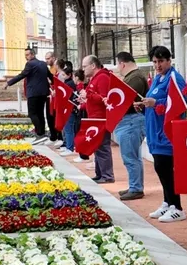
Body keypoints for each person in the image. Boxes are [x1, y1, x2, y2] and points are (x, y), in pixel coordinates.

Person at [144, 46, 187, 223]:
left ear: (169, 60)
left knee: (166, 169)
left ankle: (177, 207)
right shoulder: (158, 78)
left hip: (167, 133)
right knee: (160, 168)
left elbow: (180, 103)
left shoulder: (175, 79)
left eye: (161, 61)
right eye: (155, 62)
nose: (157, 65)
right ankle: (167, 202)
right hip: (154, 131)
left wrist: (156, 102)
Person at [113, 52, 149, 201]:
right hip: (130, 121)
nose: (118, 68)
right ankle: (135, 186)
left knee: (130, 157)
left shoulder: (134, 78)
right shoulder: (134, 77)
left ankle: (136, 188)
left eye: (118, 65)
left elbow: (125, 99)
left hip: (131, 122)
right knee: (132, 156)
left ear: (122, 64)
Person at [82, 55, 116, 184]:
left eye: (85, 66)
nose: (83, 69)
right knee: (97, 146)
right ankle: (100, 173)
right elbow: (94, 98)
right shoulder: (95, 78)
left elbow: (104, 98)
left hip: (100, 118)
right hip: (95, 118)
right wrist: (85, 101)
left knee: (102, 147)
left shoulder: (102, 78)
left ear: (93, 66)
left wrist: (88, 95)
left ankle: (107, 175)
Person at [5, 47, 51, 144]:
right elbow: (50, 76)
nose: (26, 57)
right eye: (25, 55)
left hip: (33, 93)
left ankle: (40, 134)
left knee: (32, 113)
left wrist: (8, 83)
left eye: (27, 55)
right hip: (43, 93)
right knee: (40, 114)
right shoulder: (43, 64)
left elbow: (22, 75)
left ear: (32, 55)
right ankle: (42, 134)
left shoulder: (30, 64)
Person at [58, 60, 81, 156]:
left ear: (69, 75)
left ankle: (70, 147)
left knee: (69, 129)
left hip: (70, 109)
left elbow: (67, 96)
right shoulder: (68, 83)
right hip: (69, 109)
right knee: (68, 128)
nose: (61, 77)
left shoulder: (69, 84)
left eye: (63, 75)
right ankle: (68, 145)